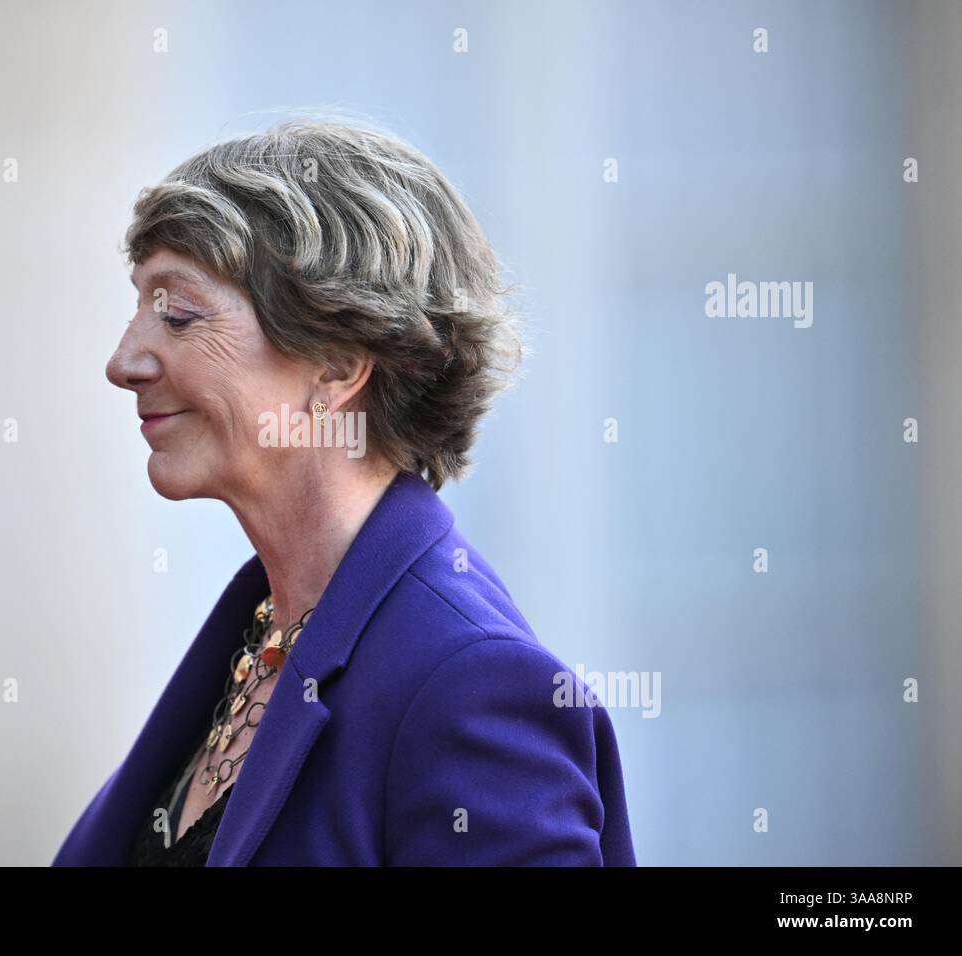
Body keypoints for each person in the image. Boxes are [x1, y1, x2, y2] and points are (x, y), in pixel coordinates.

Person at [52, 117, 636, 866]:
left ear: (336, 362)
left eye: (178, 313)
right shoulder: (262, 625)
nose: (124, 359)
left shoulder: (472, 685)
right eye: (138, 309)